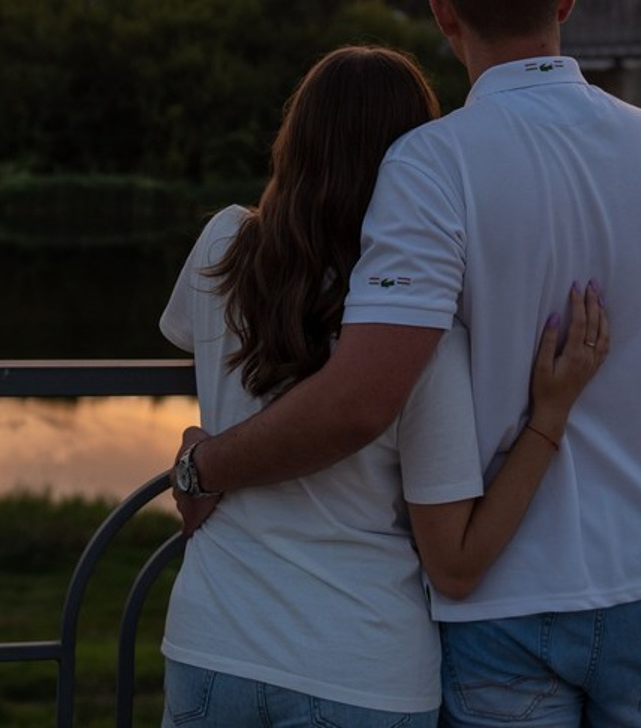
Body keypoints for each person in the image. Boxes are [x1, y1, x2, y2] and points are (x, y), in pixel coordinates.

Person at [175, 0, 641, 728]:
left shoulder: (433, 166)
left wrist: (204, 465)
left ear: (441, 11)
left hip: (510, 595)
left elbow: (362, 395)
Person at [160, 45, 609, 726]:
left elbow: (186, 338)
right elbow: (456, 563)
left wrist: (203, 451)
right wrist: (550, 417)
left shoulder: (223, 245)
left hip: (211, 644)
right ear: (414, 161)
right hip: (358, 668)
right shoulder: (413, 335)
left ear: (294, 143)